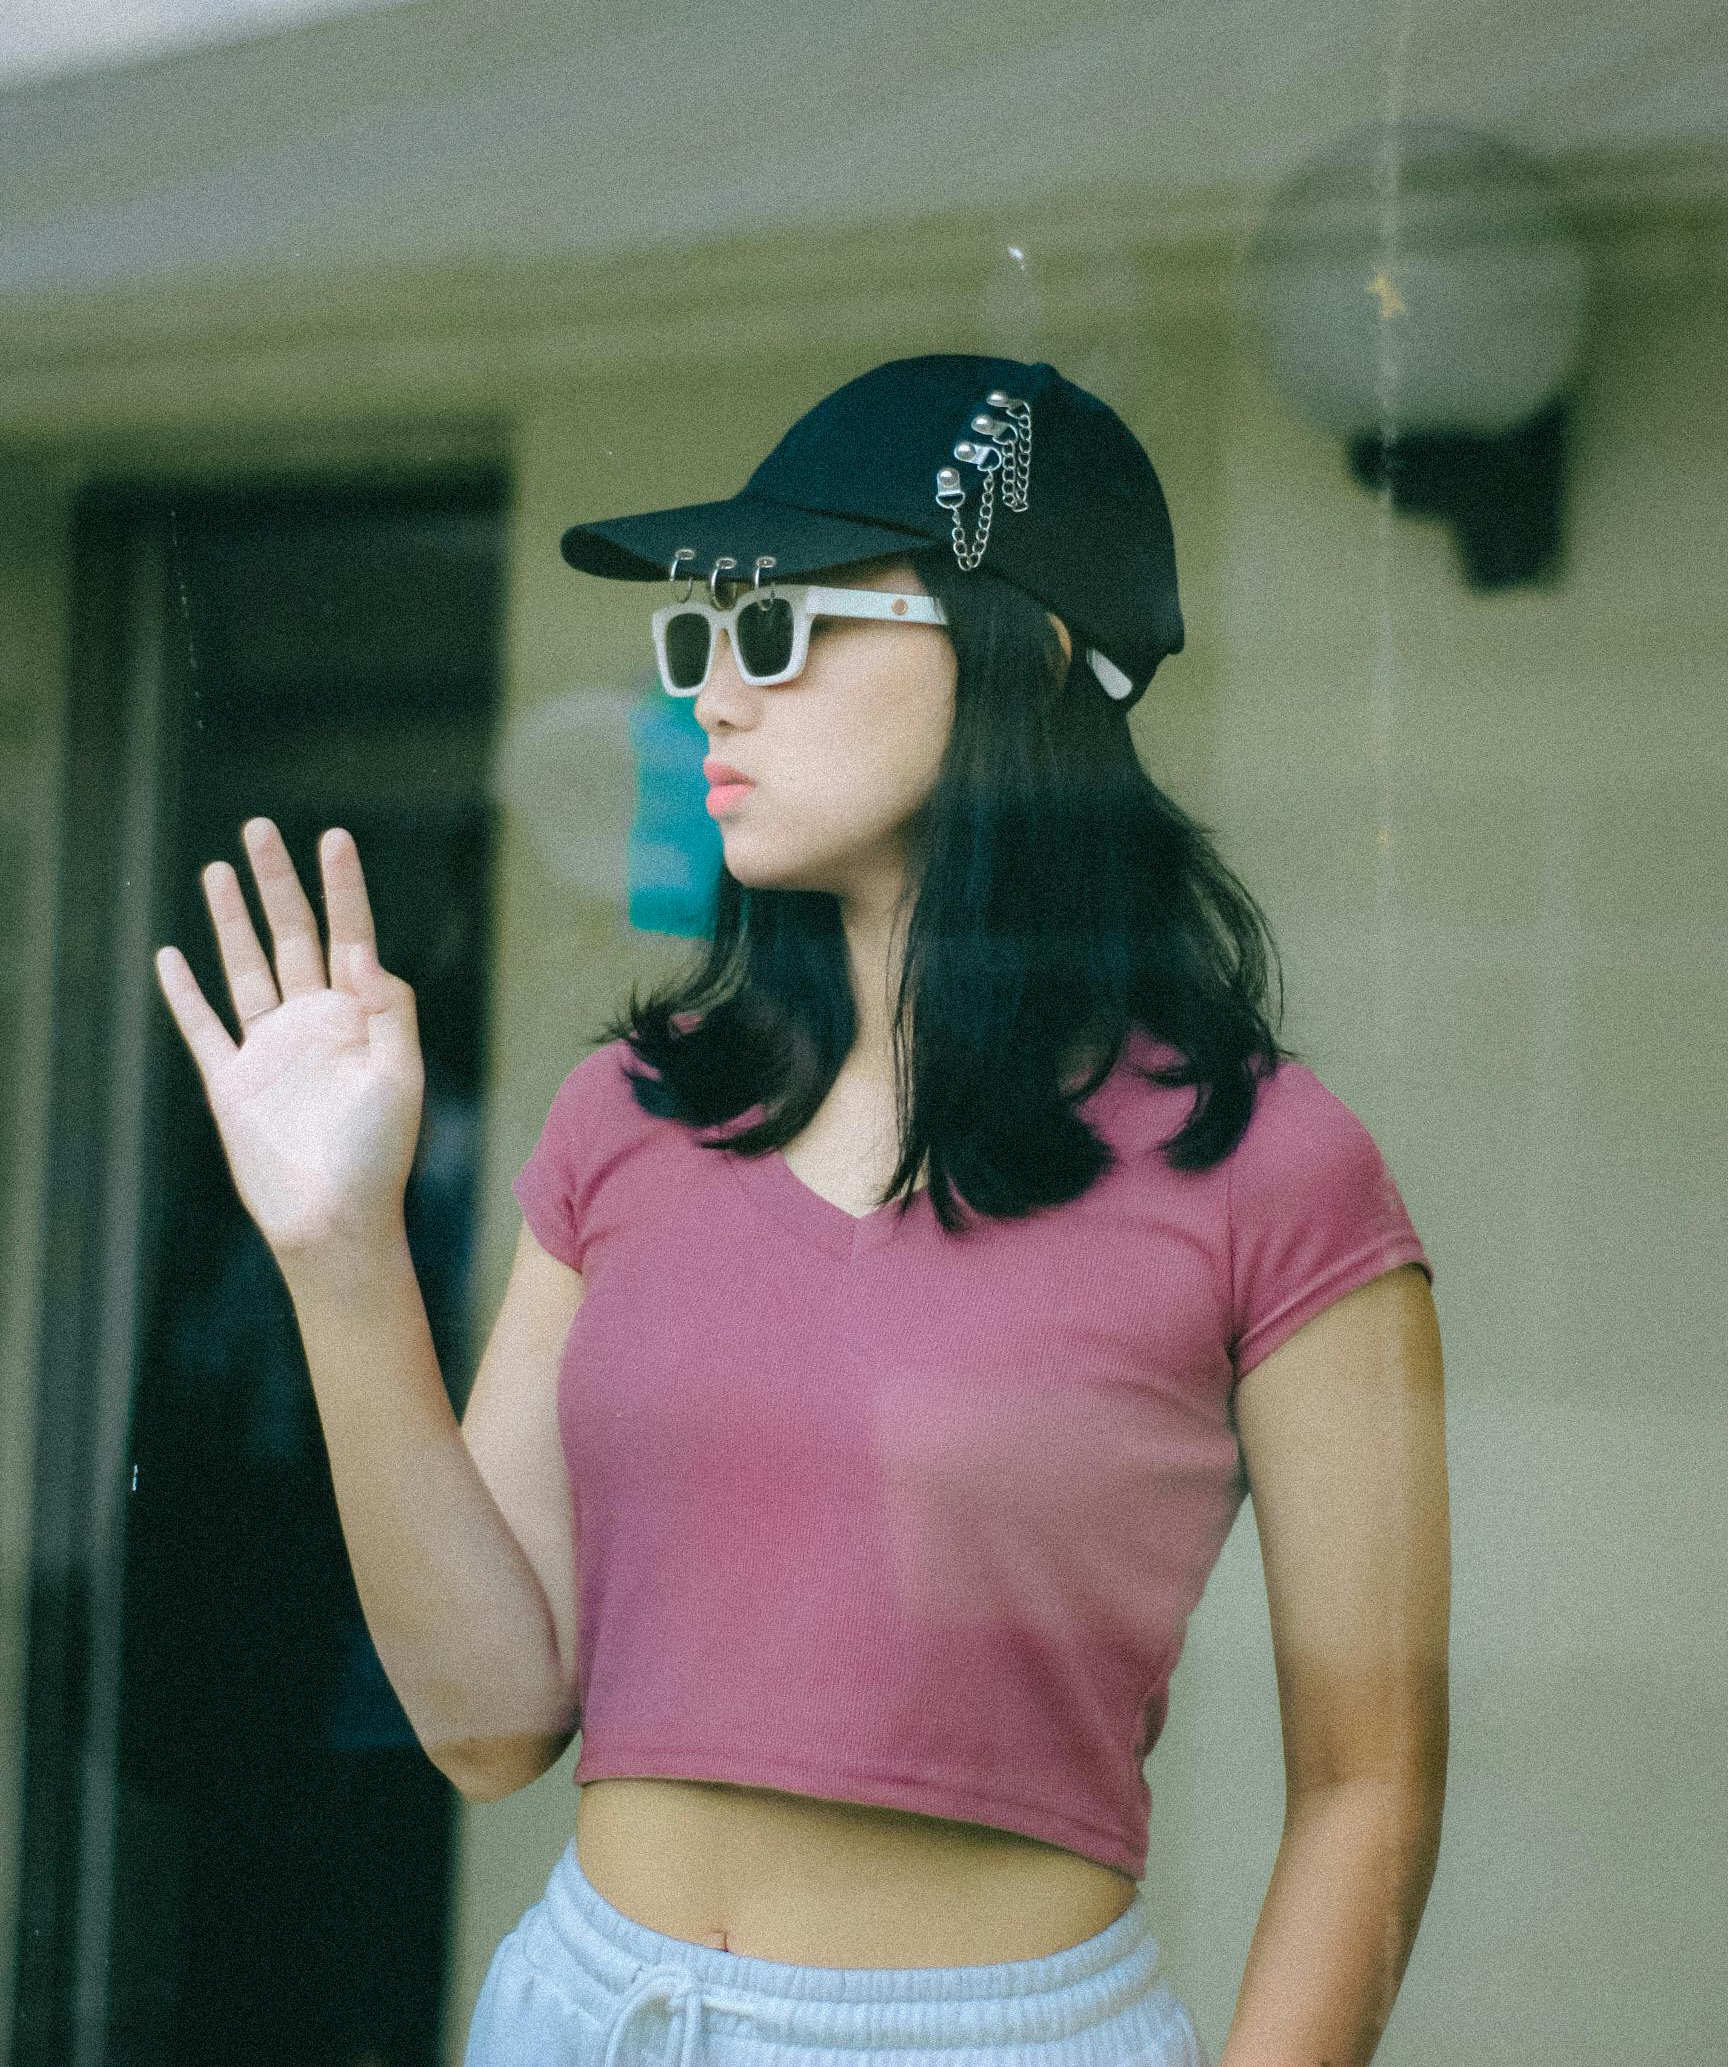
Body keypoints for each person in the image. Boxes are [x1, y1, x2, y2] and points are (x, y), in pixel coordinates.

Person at [154, 351, 1450, 2067]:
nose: (714, 698)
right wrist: (338, 1255)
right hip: (577, 2008)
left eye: (781, 630)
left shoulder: (1272, 1167)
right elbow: (487, 1727)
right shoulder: (631, 1114)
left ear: (1028, 654)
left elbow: (1369, 1790)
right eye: (703, 638)